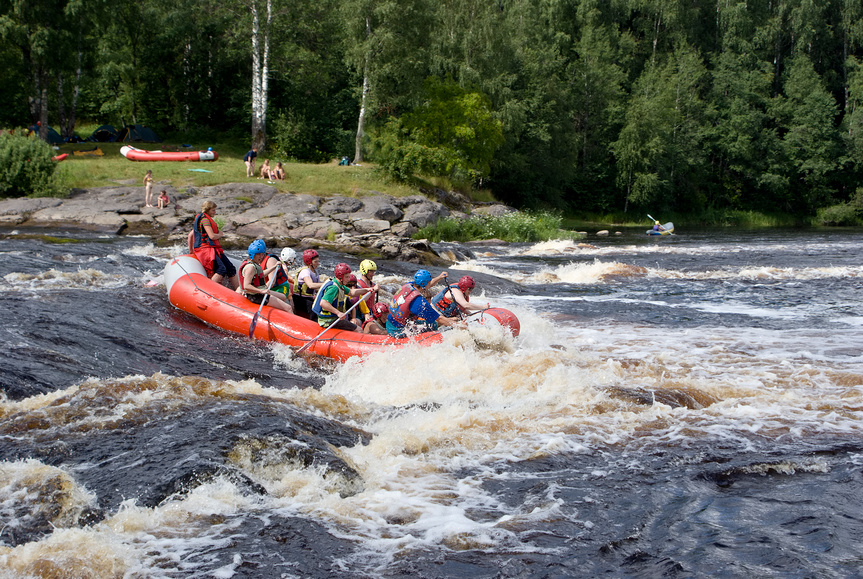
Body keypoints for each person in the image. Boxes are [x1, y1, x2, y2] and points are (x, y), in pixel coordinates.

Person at [386, 269, 466, 338]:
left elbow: (427, 285)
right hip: (398, 331)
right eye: (429, 282)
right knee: (433, 325)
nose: (430, 283)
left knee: (431, 322)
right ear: (424, 284)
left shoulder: (408, 285)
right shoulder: (419, 302)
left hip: (390, 324)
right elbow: (439, 319)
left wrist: (440, 277)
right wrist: (459, 325)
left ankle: (450, 320)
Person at [317, 263, 378, 333]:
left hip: (332, 318)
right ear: (340, 276)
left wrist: (367, 289)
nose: (348, 279)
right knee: (359, 330)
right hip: (329, 320)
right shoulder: (334, 288)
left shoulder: (339, 284)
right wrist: (338, 313)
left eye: (349, 277)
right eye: (346, 277)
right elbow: (323, 303)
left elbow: (352, 292)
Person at [192, 200, 238, 289]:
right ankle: (207, 290)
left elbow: (191, 235)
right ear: (207, 210)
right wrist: (220, 235)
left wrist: (191, 250)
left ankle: (239, 292)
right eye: (213, 210)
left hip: (213, 248)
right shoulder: (205, 220)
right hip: (206, 249)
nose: (215, 212)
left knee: (231, 268)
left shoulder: (204, 219)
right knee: (221, 269)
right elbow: (212, 236)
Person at [236, 240, 292, 313]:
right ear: (253, 254)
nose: (261, 257)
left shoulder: (253, 264)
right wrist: (262, 291)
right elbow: (246, 286)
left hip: (257, 293)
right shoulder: (251, 267)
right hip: (257, 295)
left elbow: (261, 275)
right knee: (288, 308)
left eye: (262, 254)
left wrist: (274, 267)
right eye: (258, 254)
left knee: (284, 298)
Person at [293, 249, 326, 320]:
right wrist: (325, 284)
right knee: (314, 309)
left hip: (309, 297)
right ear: (309, 262)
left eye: (318, 261)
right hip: (300, 299)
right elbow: (310, 285)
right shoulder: (305, 272)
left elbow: (317, 288)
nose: (318, 263)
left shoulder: (315, 272)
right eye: (315, 262)